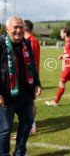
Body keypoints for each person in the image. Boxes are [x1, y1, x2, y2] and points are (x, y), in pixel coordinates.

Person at [0, 16, 41, 155]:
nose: (18, 30)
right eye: (15, 27)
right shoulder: (0, 43)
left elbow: (32, 66)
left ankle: (20, 152)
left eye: (21, 27)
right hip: (6, 95)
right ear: (7, 29)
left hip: (26, 94)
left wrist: (36, 83)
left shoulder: (27, 43)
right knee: (5, 129)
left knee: (27, 124)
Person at [45, 28, 70, 107]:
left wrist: (66, 56)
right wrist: (63, 56)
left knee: (62, 83)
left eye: (61, 33)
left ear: (65, 33)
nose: (60, 34)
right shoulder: (68, 42)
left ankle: (55, 102)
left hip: (68, 67)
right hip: (69, 65)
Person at [24, 19, 40, 134]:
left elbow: (31, 61)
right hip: (29, 76)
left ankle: (32, 126)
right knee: (29, 101)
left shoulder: (31, 41)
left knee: (29, 102)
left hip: (30, 76)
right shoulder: (30, 40)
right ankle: (31, 125)